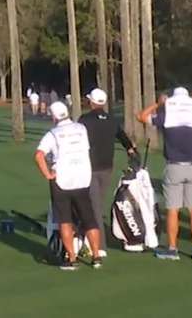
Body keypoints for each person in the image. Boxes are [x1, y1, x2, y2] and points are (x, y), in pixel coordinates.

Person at [139, 87, 192, 261]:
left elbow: (141, 116)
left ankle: (172, 248)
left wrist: (159, 104)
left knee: (172, 210)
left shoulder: (167, 117)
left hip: (174, 166)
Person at [34, 101, 103, 271]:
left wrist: (48, 174)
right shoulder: (81, 129)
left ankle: (71, 258)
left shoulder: (53, 134)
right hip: (82, 179)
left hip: (62, 181)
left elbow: (39, 155)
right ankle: (96, 256)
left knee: (65, 220)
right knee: (89, 219)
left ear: (54, 116)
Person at [77, 88, 137, 259]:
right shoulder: (111, 120)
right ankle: (85, 236)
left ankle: (99, 245)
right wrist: (130, 149)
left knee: (94, 206)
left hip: (90, 168)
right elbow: (123, 137)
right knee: (95, 203)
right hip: (106, 168)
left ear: (92, 102)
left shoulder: (84, 120)